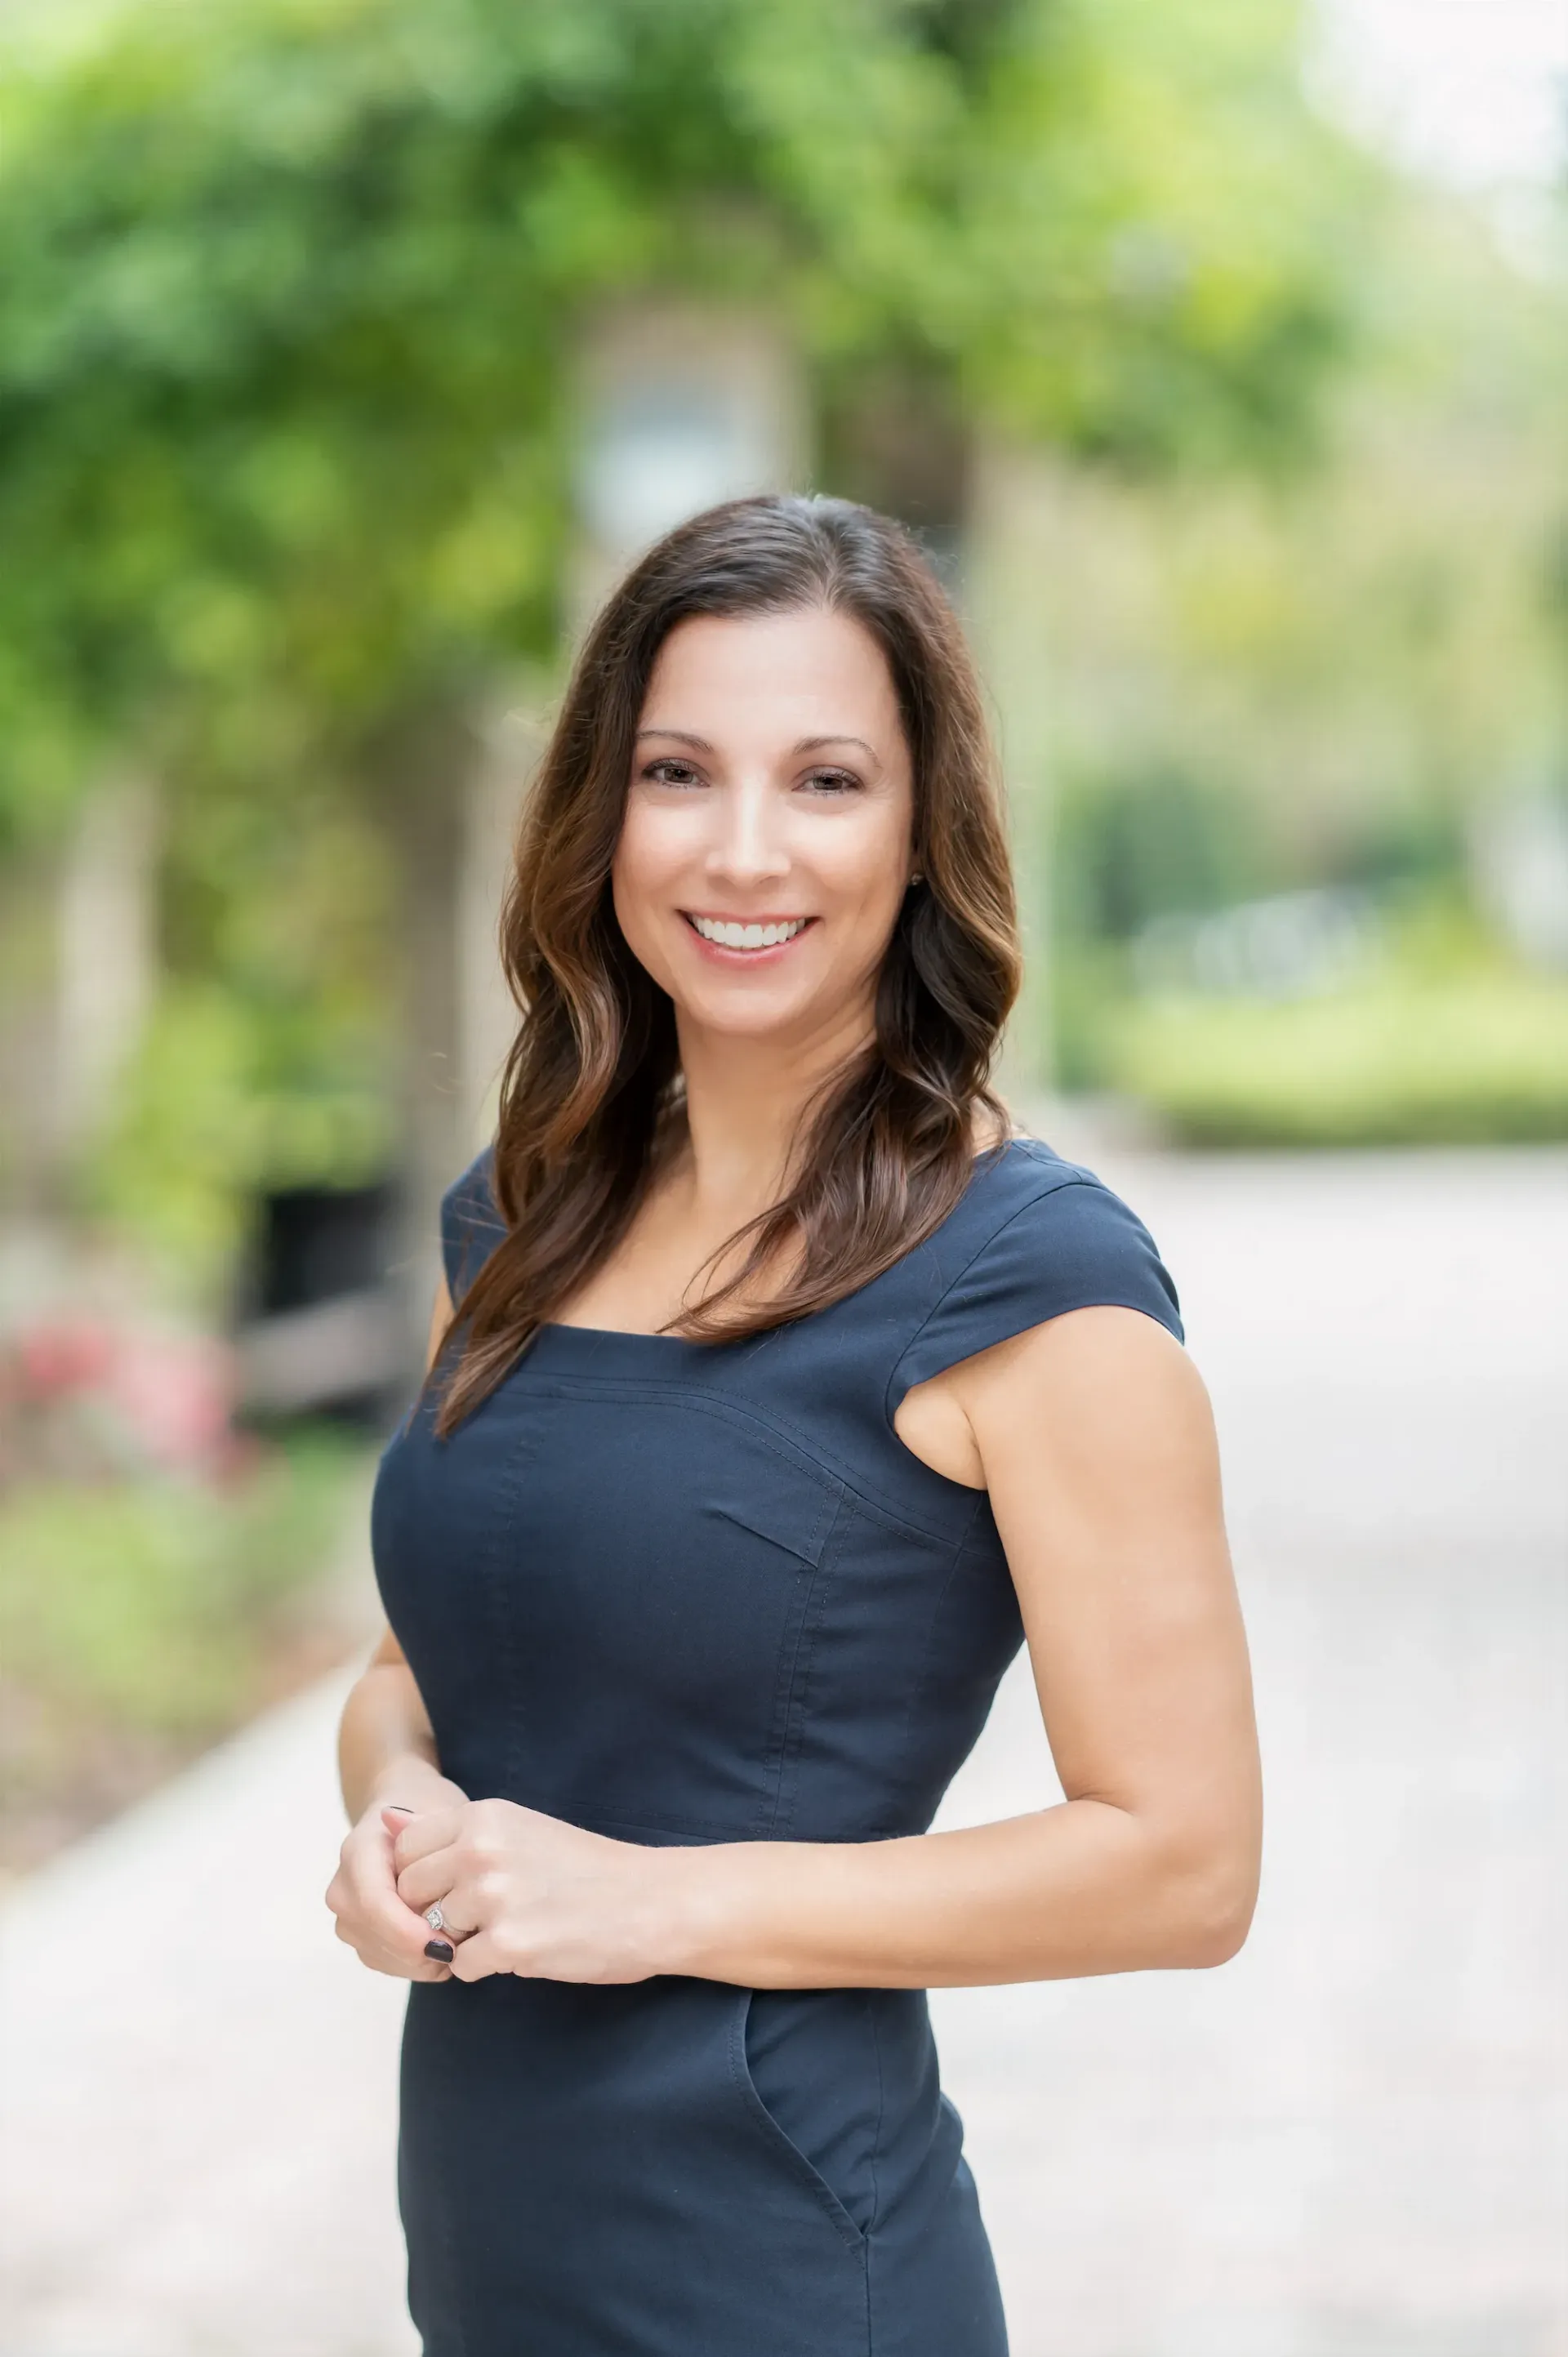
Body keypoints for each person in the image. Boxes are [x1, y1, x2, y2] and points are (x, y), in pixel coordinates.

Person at [325, 492, 1261, 2357]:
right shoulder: (520, 1214)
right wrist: (393, 1814)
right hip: (500, 2259)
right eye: (681, 772)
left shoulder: (1038, 1283)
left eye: (826, 780)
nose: (744, 851)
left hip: (781, 2269)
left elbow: (1186, 1861)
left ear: (923, 834)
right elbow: (411, 1672)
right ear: (603, 813)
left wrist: (650, 1903)